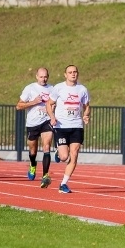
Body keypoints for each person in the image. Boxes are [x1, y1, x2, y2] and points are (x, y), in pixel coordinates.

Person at [45, 65, 90, 194]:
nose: (73, 74)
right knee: (64, 157)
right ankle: (59, 152)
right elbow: (49, 103)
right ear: (65, 75)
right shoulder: (58, 88)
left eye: (75, 72)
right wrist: (52, 116)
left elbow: (86, 106)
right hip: (61, 126)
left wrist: (86, 115)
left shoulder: (82, 89)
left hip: (77, 126)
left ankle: (63, 183)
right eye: (70, 72)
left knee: (74, 154)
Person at [17, 67, 54, 187]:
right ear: (36, 77)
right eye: (41, 77)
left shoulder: (52, 89)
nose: (43, 79)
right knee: (33, 151)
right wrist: (34, 102)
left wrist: (52, 109)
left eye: (45, 77)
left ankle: (45, 176)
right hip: (33, 123)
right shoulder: (30, 88)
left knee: (47, 146)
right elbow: (18, 106)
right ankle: (33, 165)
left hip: (46, 121)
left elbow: (57, 103)